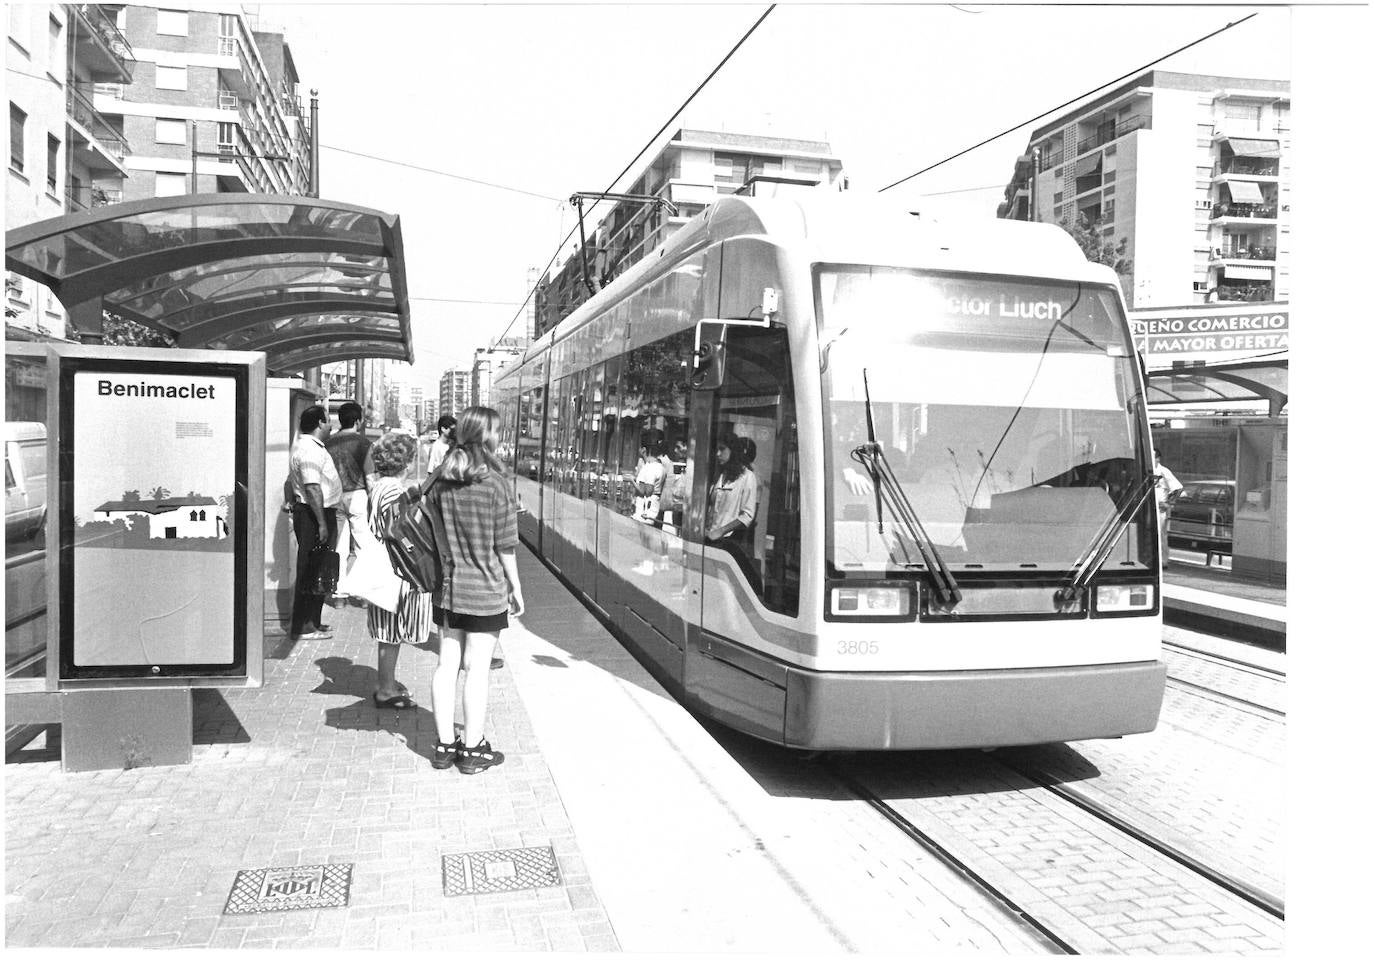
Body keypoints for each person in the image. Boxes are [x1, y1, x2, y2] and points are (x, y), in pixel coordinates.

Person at [429, 406, 525, 774]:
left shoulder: (441, 480)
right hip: (485, 590)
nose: (499, 437)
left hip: (449, 588)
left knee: (446, 664)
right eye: (496, 432)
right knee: (478, 669)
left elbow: (435, 534)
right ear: (485, 436)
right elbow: (505, 547)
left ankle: (443, 746)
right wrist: (516, 588)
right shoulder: (497, 484)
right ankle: (472, 749)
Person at [364, 431, 431, 708]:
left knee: (388, 629)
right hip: (395, 567)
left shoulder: (380, 486)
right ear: (406, 461)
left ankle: (387, 681)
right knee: (392, 630)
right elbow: (399, 530)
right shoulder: (393, 490)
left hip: (385, 563)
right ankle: (386, 690)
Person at [287, 404, 342, 640]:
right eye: (328, 421)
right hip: (313, 514)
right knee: (310, 567)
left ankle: (314, 621)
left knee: (321, 565)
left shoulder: (310, 446)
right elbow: (311, 487)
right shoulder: (310, 450)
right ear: (320, 423)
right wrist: (321, 522)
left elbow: (292, 481)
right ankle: (304, 626)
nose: (330, 426)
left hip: (316, 512)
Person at [327, 402, 376, 590]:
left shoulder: (329, 443)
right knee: (363, 543)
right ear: (358, 420)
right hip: (358, 496)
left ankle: (339, 592)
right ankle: (363, 592)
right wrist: (373, 501)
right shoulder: (364, 443)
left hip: (335, 497)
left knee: (339, 545)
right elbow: (370, 477)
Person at [706, 434, 759, 557]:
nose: (718, 454)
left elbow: (747, 515)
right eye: (717, 450)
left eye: (722, 449)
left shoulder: (747, 477)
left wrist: (722, 530)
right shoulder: (720, 475)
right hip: (710, 539)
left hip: (728, 543)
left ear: (733, 451)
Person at [1154, 448, 1183, 568]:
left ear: (1158, 458)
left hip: (1160, 509)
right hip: (1146, 507)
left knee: (1160, 534)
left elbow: (1178, 488)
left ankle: (1163, 561)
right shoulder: (1146, 470)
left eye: (1154, 456)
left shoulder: (1163, 471)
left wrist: (1169, 504)